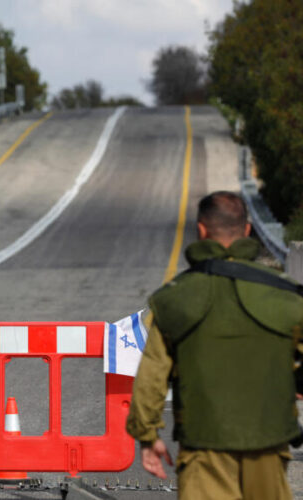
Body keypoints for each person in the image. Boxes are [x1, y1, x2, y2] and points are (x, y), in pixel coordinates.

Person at [126, 191, 303, 500]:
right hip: (270, 441)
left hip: (204, 445)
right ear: (247, 231)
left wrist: (147, 435)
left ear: (202, 230)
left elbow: (151, 375)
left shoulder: (176, 299)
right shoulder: (287, 296)